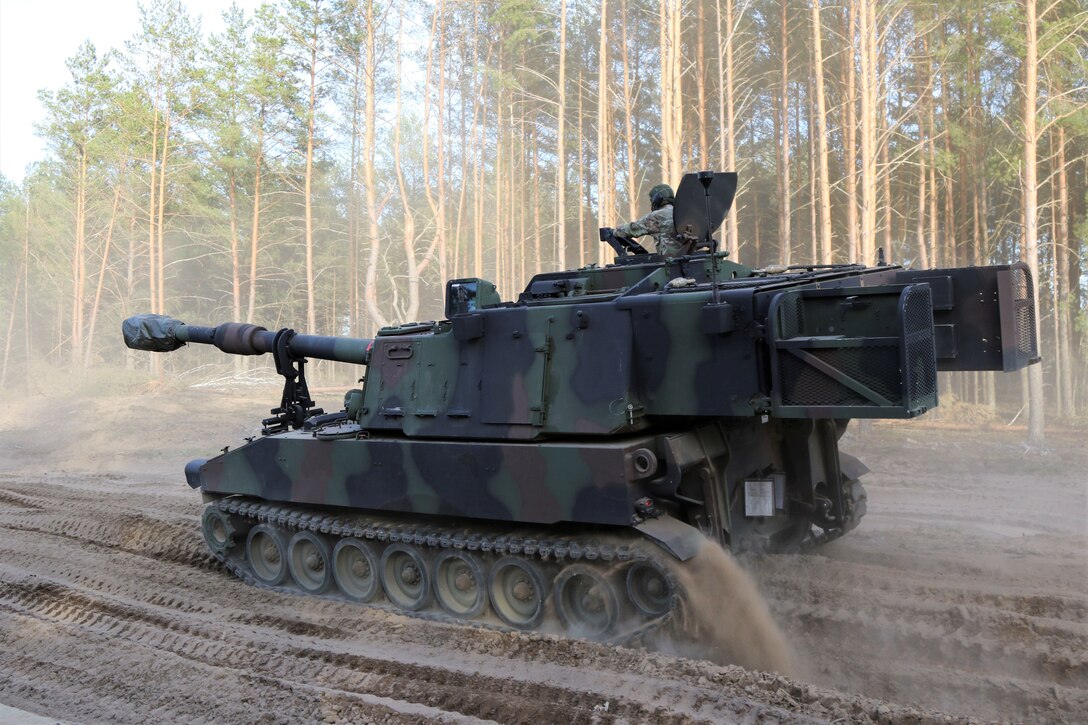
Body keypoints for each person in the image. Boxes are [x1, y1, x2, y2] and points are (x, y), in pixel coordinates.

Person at [613, 183, 690, 257]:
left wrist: (614, 231)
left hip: (670, 263)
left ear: (657, 199)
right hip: (691, 260)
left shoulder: (657, 216)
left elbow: (633, 228)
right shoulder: (684, 213)